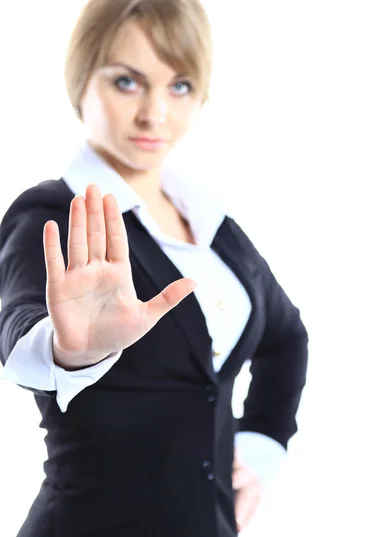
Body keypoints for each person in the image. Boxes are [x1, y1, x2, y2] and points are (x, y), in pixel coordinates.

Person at [0, 0, 309, 535]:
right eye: (127, 82)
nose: (155, 113)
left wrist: (260, 448)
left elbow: (285, 337)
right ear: (82, 80)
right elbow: (18, 328)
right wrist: (67, 350)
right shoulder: (53, 211)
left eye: (180, 86)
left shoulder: (212, 223)